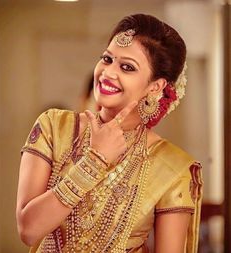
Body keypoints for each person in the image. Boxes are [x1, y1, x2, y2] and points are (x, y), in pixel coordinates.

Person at [16, 14, 203, 253]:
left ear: (155, 87)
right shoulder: (55, 126)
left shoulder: (172, 167)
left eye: (127, 67)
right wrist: (93, 162)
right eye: (107, 59)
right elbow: (28, 230)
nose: (107, 72)